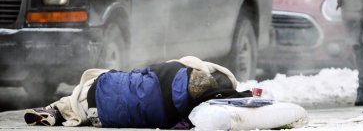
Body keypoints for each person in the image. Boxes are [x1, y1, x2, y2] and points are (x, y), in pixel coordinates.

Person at [23, 56, 248, 128]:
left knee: (101, 83)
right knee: (89, 102)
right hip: (102, 117)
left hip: (101, 89)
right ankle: (62, 110)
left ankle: (55, 109)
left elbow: (138, 72)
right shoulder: (183, 115)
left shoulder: (173, 67)